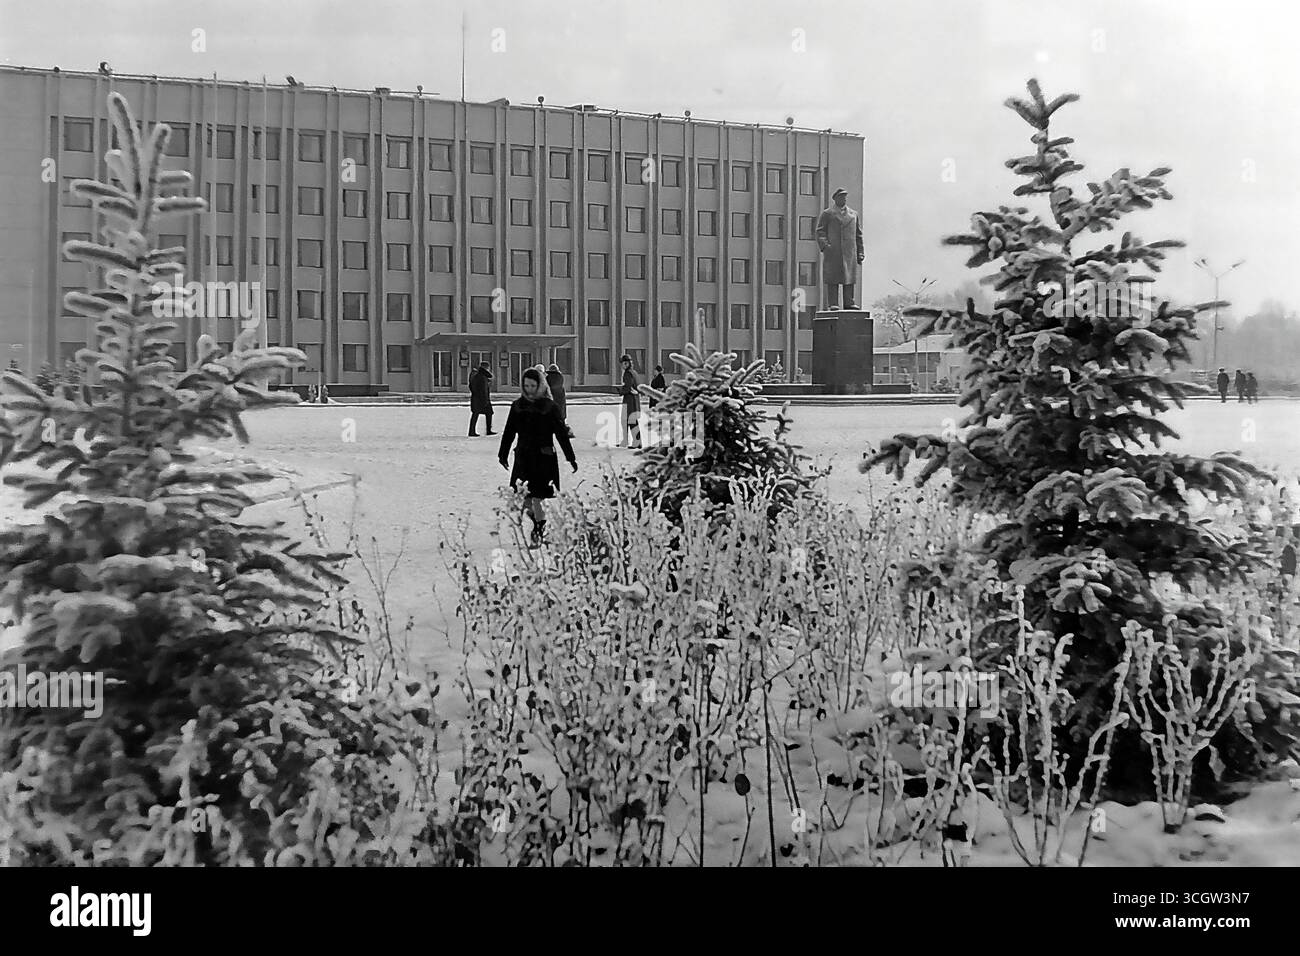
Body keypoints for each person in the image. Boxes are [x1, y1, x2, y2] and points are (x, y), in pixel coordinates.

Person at [498, 368, 577, 545]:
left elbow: (561, 434)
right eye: (526, 386)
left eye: (533, 385)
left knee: (537, 498)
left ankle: (538, 533)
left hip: (543, 458)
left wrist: (570, 457)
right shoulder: (518, 406)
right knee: (524, 500)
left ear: (541, 385)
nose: (530, 390)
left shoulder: (550, 407)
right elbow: (509, 431)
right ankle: (538, 525)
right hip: (523, 457)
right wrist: (502, 454)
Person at [814, 186, 865, 309]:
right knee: (833, 279)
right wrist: (826, 246)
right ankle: (833, 303)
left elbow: (858, 235)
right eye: (841, 197)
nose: (844, 199)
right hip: (834, 252)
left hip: (849, 253)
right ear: (835, 199)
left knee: (849, 278)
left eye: (845, 197)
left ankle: (849, 302)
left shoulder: (853, 214)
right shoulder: (828, 214)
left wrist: (860, 252)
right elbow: (820, 232)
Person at [618, 354, 642, 448]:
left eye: (623, 363)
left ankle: (634, 442)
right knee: (633, 421)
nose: (622, 366)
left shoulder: (628, 373)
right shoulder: (634, 372)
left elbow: (628, 387)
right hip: (634, 400)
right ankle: (635, 442)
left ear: (626, 363)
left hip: (629, 400)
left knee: (629, 421)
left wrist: (621, 391)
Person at [468, 362, 495, 436]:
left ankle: (473, 431)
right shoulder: (481, 377)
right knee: (477, 414)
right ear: (486, 368)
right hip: (481, 399)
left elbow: (471, 386)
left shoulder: (479, 376)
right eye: (488, 367)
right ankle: (473, 431)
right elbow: (483, 390)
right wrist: (485, 399)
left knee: (485, 413)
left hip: (477, 398)